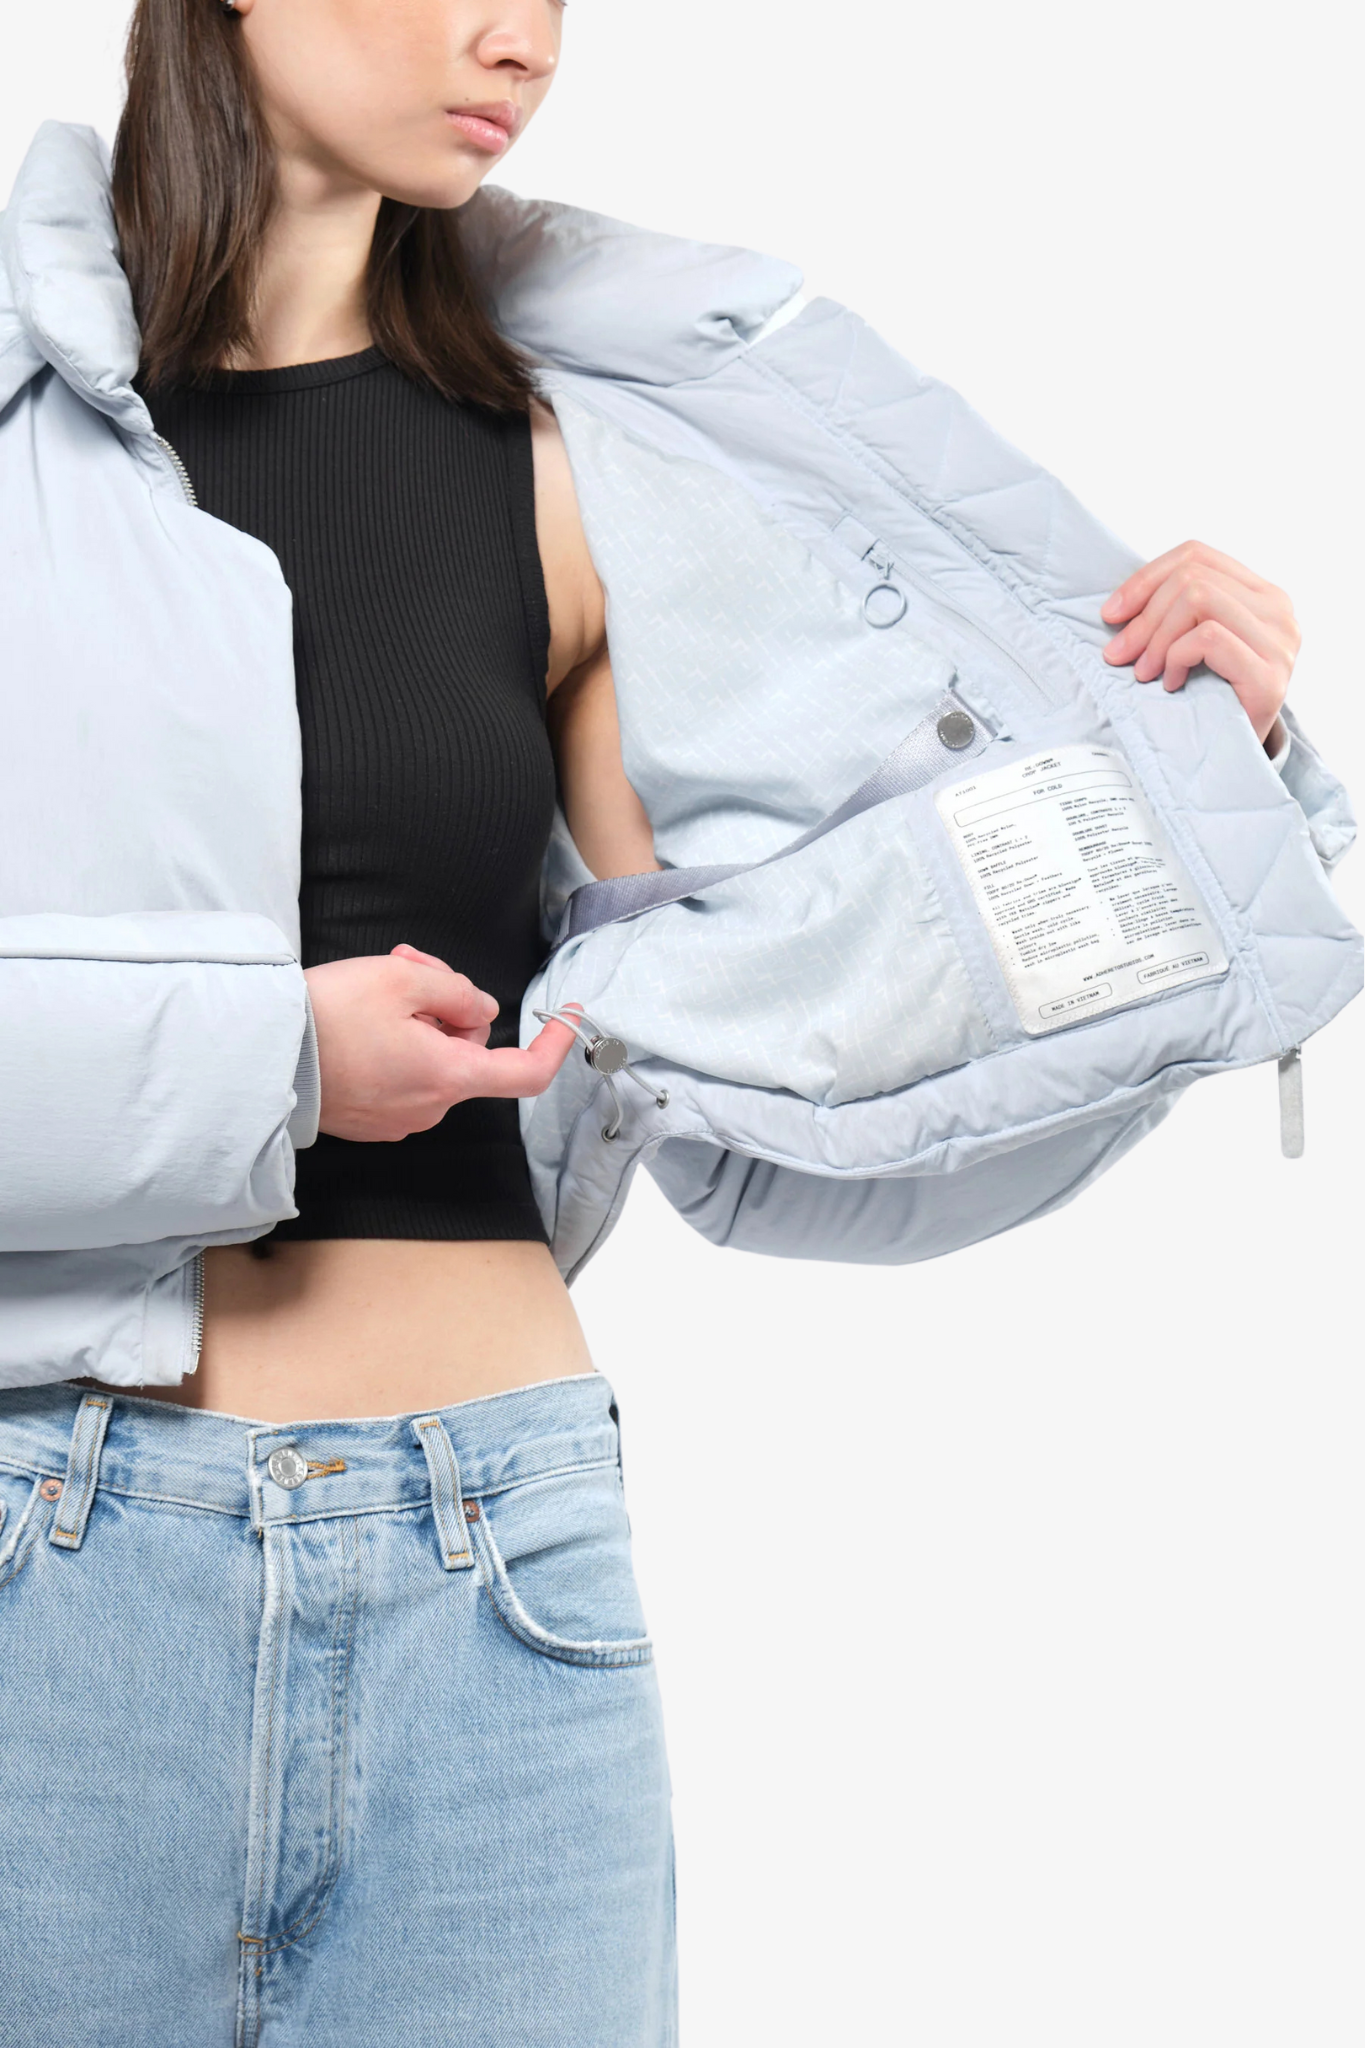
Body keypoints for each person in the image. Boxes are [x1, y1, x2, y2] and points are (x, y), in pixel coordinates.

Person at [0, 1, 1304, 2041]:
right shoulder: (19, 456)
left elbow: (807, 1036)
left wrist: (1207, 777)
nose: (517, 31)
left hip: (496, 1565)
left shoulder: (559, 466)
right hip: (50, 1580)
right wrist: (276, 1061)